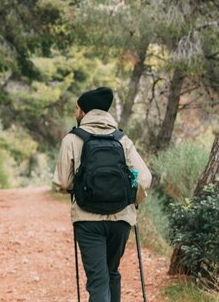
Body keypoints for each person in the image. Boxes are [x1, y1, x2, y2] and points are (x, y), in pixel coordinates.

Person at [53, 87, 152, 302]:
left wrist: (76, 188)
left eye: (77, 108)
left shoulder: (72, 139)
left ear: (84, 111)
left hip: (88, 220)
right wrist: (132, 199)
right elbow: (144, 178)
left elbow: (63, 182)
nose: (75, 112)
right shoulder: (122, 139)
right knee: (112, 273)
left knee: (98, 279)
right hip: (121, 219)